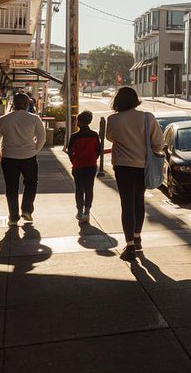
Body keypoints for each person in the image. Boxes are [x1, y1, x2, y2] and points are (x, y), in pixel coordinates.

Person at [105, 86, 164, 261]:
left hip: (122, 167)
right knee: (139, 201)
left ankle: (129, 245)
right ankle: (137, 238)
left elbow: (110, 138)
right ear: (135, 100)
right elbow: (158, 143)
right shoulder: (147, 117)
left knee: (127, 204)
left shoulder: (113, 119)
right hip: (142, 166)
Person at [0, 93, 47, 225]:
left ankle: (13, 217)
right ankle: (26, 209)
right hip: (29, 157)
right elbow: (42, 137)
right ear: (27, 104)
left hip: (9, 157)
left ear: (13, 104)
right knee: (31, 183)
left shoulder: (3, 119)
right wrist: (35, 150)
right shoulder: (34, 119)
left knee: (11, 187)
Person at [66, 110, 102, 222]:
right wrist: (93, 159)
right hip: (91, 165)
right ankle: (87, 211)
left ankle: (79, 211)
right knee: (89, 188)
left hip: (78, 165)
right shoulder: (94, 135)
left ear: (79, 122)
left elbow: (70, 151)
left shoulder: (74, 136)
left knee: (79, 188)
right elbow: (98, 150)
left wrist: (74, 161)